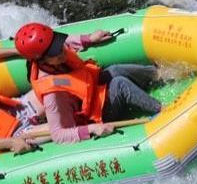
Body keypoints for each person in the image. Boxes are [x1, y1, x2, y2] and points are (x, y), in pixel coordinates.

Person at [13, 23, 162, 145]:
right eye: (55, 52)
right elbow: (58, 134)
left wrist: (89, 38)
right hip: (93, 117)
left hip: (90, 93)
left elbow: (66, 41)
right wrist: (92, 129)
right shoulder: (52, 95)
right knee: (119, 84)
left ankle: (160, 75)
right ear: (42, 60)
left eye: (59, 45)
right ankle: (162, 111)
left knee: (114, 70)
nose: (62, 51)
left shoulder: (53, 54)